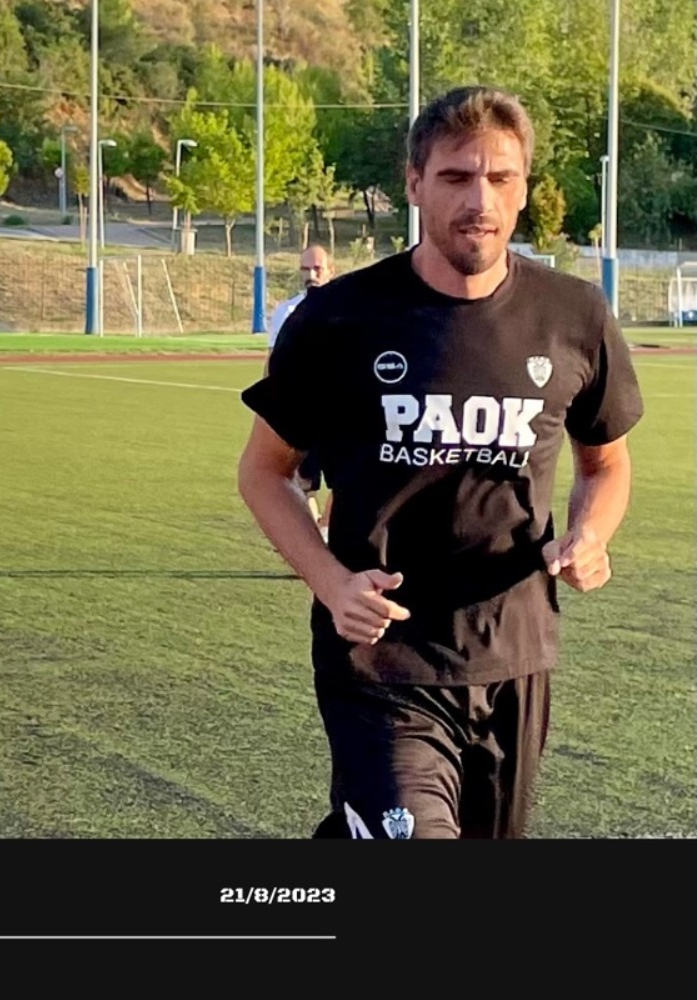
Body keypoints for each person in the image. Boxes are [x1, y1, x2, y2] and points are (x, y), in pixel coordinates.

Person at [237, 86, 643, 840]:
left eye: (500, 179)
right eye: (456, 177)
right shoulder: (339, 318)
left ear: (523, 189)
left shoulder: (575, 316)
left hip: (515, 651)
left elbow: (606, 465)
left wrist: (592, 535)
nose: (478, 201)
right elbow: (264, 471)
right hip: (381, 659)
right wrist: (331, 583)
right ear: (415, 183)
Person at [268, 245, 335, 541]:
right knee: (301, 480)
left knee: (345, 478)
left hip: (340, 408)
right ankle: (315, 539)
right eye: (306, 269)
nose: (311, 274)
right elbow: (273, 360)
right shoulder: (287, 311)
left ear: (330, 270)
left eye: (317, 268)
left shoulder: (349, 307)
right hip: (302, 410)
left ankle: (326, 528)